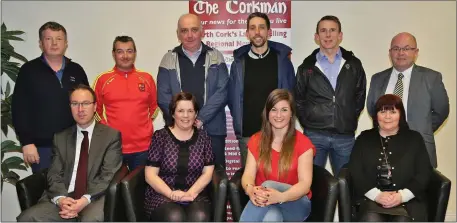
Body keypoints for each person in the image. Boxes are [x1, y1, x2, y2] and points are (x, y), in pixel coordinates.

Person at [17, 84, 122, 222]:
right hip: (64, 197)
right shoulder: (60, 138)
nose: (80, 109)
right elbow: (54, 174)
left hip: (94, 197)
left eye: (85, 103)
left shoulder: (111, 136)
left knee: (91, 220)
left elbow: (108, 175)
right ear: (70, 107)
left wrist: (83, 201)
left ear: (95, 106)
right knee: (27, 218)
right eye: (75, 104)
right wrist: (61, 200)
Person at [12, 21, 89, 173]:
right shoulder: (28, 71)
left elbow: (87, 105)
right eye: (48, 39)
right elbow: (19, 109)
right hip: (42, 148)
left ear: (66, 43)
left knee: (74, 191)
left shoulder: (76, 70)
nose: (54, 43)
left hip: (74, 143)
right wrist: (26, 143)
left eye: (59, 39)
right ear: (41, 43)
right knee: (46, 194)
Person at [295, 15, 366, 175]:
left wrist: (347, 117)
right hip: (314, 135)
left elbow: (360, 96)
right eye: (323, 31)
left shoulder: (354, 64)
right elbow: (298, 99)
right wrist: (308, 122)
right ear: (316, 37)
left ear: (340, 35)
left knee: (346, 185)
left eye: (332, 30)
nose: (328, 35)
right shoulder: (306, 67)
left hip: (344, 137)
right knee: (312, 184)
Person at [366, 32, 449, 168]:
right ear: (390, 52)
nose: (401, 53)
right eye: (396, 48)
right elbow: (372, 108)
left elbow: (442, 110)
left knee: (418, 188)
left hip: (419, 148)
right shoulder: (377, 79)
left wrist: (421, 129)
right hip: (383, 147)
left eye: (406, 48)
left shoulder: (431, 78)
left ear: (416, 52)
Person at [157, 13, 229, 169]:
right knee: (183, 178)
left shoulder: (216, 57)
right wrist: (183, 121)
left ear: (202, 32)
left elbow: (223, 92)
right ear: (178, 34)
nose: (189, 35)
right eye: (184, 31)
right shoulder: (168, 59)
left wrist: (200, 119)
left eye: (194, 30)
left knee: (216, 180)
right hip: (178, 132)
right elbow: (163, 97)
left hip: (213, 130)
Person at [348, 94, 433, 222]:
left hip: (407, 201)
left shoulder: (414, 139)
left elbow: (424, 173)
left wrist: (402, 196)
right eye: (382, 112)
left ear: (401, 115)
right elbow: (355, 170)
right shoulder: (364, 138)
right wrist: (376, 195)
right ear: (376, 116)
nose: (387, 116)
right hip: (371, 199)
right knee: (371, 219)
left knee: (402, 220)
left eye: (393, 112)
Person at [228, 12, 296, 168]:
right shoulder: (238, 63)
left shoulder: (282, 61)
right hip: (247, 134)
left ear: (269, 32)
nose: (257, 32)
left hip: (277, 134)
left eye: (261, 27)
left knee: (277, 182)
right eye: (252, 28)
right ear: (247, 33)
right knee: (249, 185)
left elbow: (291, 95)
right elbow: (232, 99)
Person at [239, 89, 315, 222]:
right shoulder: (256, 140)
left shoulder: (304, 143)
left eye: (284, 110)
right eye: (274, 109)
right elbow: (248, 176)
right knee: (271, 218)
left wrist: (280, 197)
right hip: (266, 203)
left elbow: (305, 185)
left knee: (268, 184)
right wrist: (250, 190)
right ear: (267, 113)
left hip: (296, 204)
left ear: (291, 113)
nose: (279, 115)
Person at [144, 92, 214, 222]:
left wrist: (190, 194)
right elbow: (150, 175)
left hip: (195, 193)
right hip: (162, 194)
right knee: (174, 216)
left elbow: (208, 173)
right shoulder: (160, 137)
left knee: (200, 216)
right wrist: (171, 194)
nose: (186, 115)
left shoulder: (204, 137)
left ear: (196, 114)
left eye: (190, 111)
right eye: (181, 111)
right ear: (172, 113)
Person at [93, 36, 158, 171]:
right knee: (113, 190)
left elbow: (154, 107)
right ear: (113, 54)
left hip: (143, 148)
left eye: (129, 51)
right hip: (113, 147)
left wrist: (143, 127)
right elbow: (95, 111)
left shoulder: (146, 78)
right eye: (120, 51)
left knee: (140, 189)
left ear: (135, 53)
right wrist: (108, 129)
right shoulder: (103, 80)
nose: (125, 56)